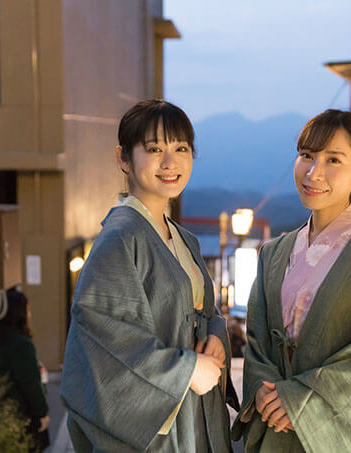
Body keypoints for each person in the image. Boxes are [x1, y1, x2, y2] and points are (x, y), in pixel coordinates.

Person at [232, 109, 351, 452]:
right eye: (307, 156)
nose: (314, 172)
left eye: (333, 159)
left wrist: (300, 402)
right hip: (275, 427)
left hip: (335, 438)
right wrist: (261, 388)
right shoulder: (273, 253)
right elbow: (257, 342)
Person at [60, 99, 238, 452]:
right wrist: (186, 370)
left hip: (197, 412)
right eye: (154, 149)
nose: (170, 162)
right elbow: (105, 339)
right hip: (159, 429)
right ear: (123, 158)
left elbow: (203, 313)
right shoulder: (120, 238)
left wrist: (217, 335)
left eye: (181, 148)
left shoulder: (184, 238)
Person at [0, 288, 50, 452]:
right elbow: (31, 384)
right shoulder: (20, 344)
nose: (30, 314)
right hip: (21, 414)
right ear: (19, 313)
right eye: (28, 309)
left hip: (2, 413)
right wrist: (42, 413)